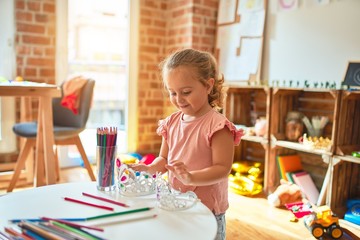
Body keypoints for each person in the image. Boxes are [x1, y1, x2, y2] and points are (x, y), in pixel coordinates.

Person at [130, 48, 243, 240]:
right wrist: (150, 168)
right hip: (176, 202)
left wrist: (191, 177)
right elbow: (164, 159)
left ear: (208, 86)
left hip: (207, 209)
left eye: (186, 92)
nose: (179, 99)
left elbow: (223, 168)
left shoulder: (218, 126)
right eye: (172, 92)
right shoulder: (171, 123)